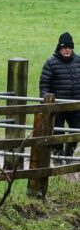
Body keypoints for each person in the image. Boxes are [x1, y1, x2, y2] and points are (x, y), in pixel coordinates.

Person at [39, 32, 80, 161]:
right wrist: (47, 103)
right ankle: (57, 156)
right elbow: (44, 84)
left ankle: (69, 154)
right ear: (59, 48)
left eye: (69, 47)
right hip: (57, 105)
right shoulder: (51, 63)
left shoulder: (79, 61)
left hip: (75, 105)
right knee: (57, 131)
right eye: (64, 47)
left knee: (77, 130)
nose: (67, 50)